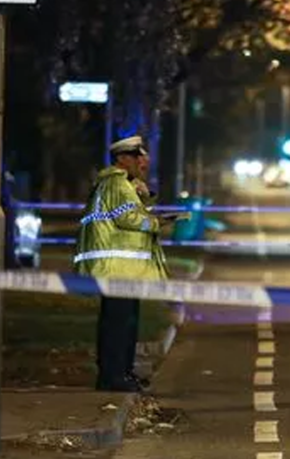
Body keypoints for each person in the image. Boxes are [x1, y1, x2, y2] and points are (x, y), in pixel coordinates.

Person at [74, 136, 168, 392]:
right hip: (116, 268)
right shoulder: (116, 182)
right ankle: (113, 377)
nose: (144, 162)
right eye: (139, 157)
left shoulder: (122, 184)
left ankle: (122, 374)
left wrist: (144, 197)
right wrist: (158, 222)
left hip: (122, 269)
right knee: (118, 325)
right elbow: (127, 217)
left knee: (124, 323)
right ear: (123, 159)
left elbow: (128, 212)